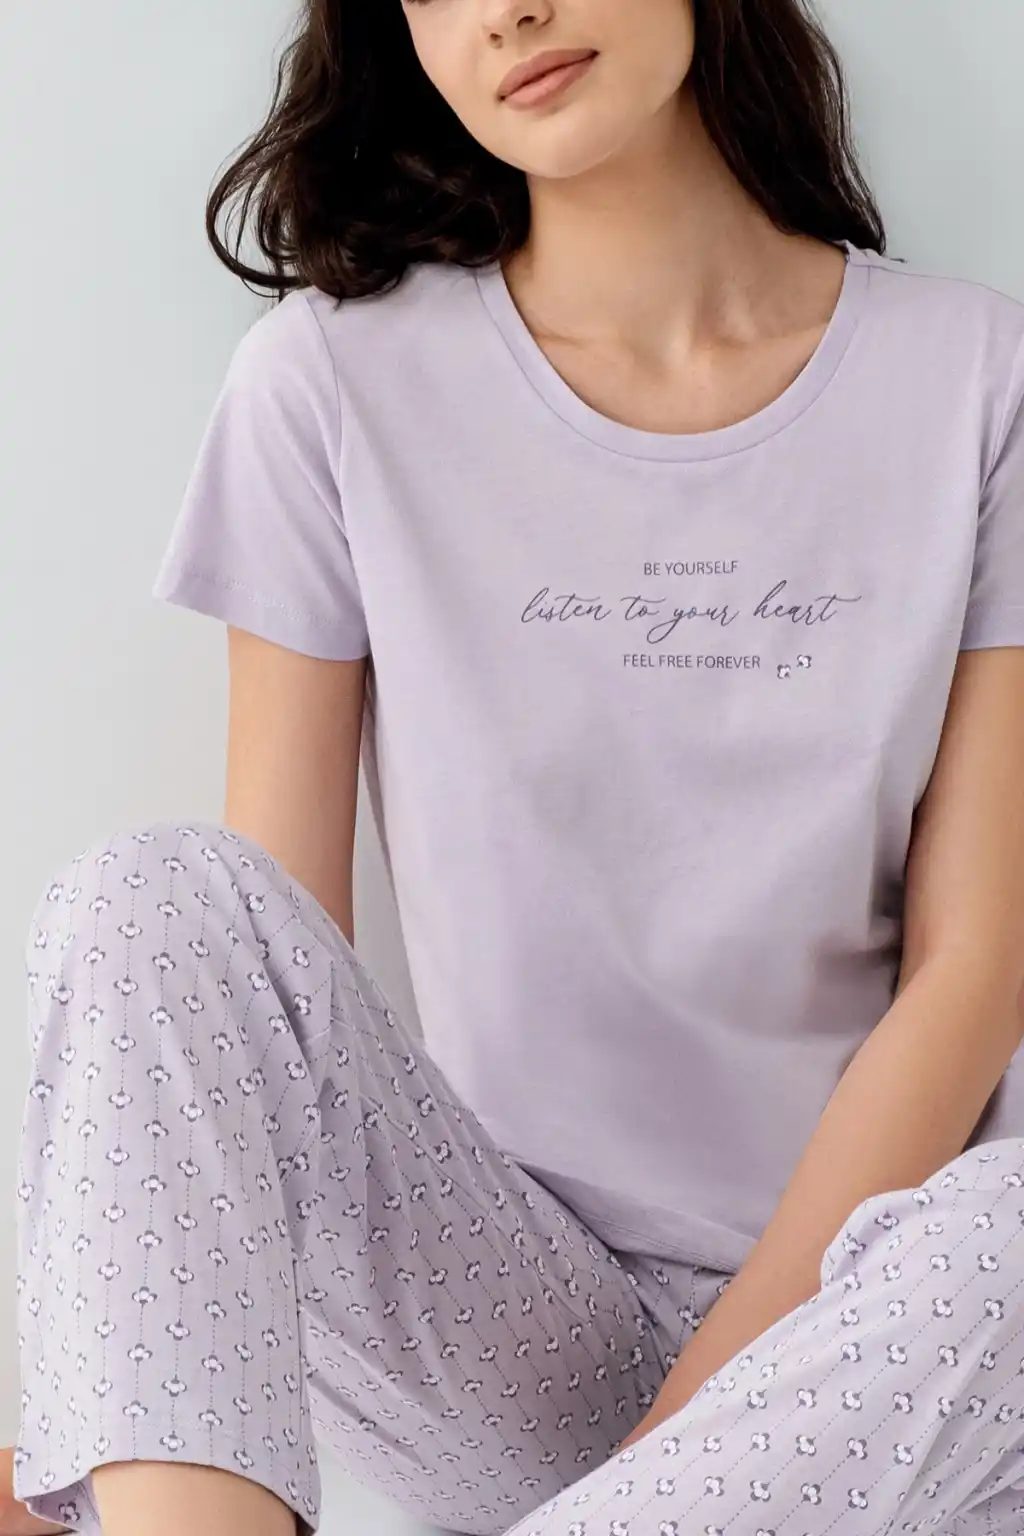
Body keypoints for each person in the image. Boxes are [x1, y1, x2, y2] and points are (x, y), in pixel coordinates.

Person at [7, 0, 1024, 1534]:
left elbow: (977, 972)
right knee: (156, 898)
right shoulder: (330, 387)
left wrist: (697, 1446)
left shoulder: (979, 379)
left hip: (874, 1345)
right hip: (506, 1330)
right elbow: (268, 984)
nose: (505, 12)